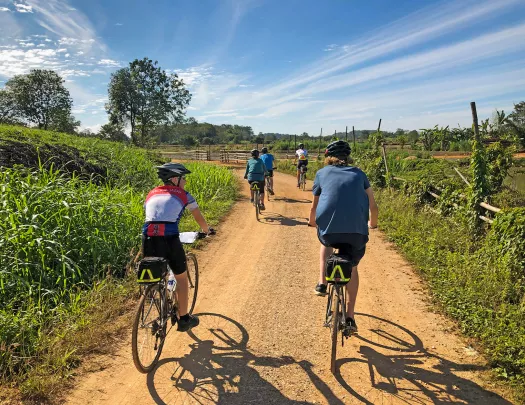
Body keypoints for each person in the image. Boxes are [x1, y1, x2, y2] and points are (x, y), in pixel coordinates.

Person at [308, 140, 378, 333]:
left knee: (325, 243)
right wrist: (373, 223)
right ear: (348, 157)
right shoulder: (359, 174)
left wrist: (312, 221)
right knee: (352, 267)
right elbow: (373, 205)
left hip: (330, 231)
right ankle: (350, 317)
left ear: (327, 156)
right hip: (356, 232)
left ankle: (322, 283)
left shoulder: (321, 174)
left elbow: (315, 205)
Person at [142, 162, 215, 332]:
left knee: (156, 273)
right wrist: (207, 231)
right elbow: (198, 218)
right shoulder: (184, 195)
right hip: (169, 239)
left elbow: (154, 215)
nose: (185, 182)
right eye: (184, 178)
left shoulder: (151, 194)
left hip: (148, 238)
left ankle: (157, 302)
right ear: (175, 179)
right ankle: (183, 319)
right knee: (181, 278)